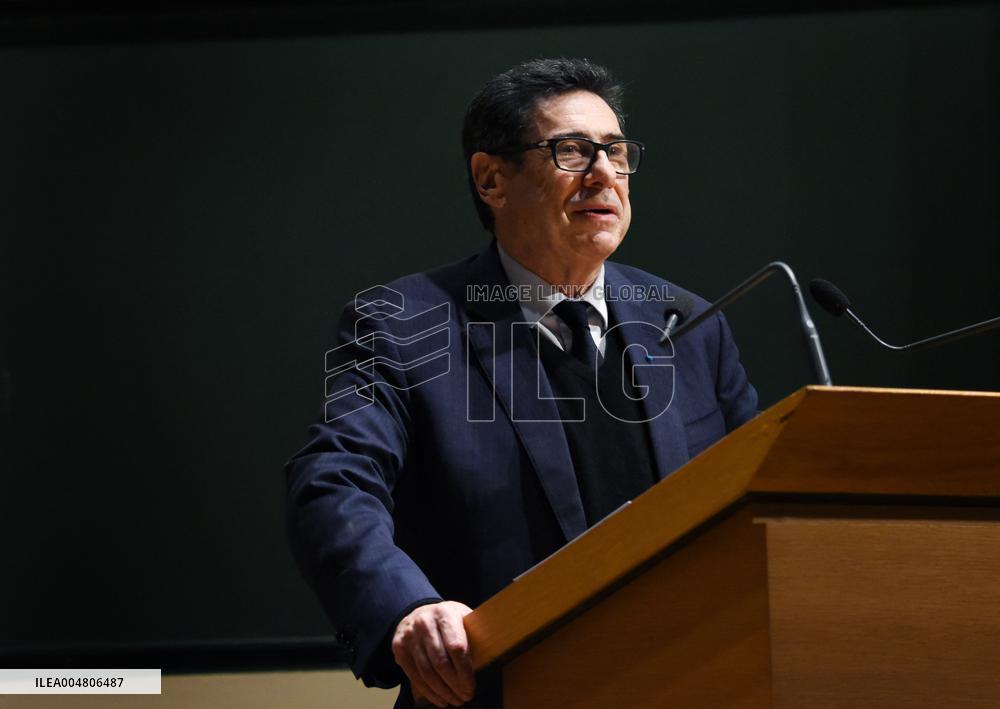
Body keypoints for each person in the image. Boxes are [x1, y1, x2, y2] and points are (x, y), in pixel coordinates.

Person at [285, 57, 758, 708]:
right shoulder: (404, 325)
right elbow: (333, 484)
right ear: (491, 178)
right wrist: (409, 611)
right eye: (572, 151)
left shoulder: (692, 324)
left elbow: (756, 505)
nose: (604, 174)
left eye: (616, 152)